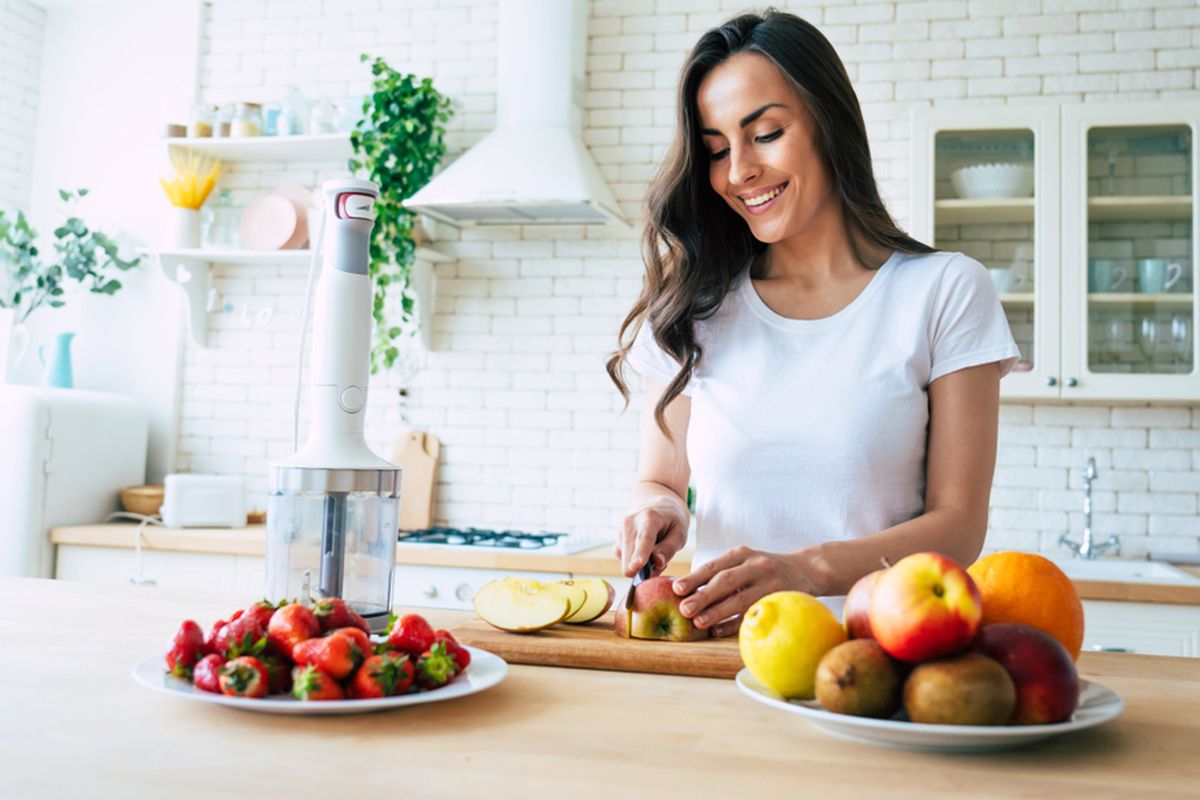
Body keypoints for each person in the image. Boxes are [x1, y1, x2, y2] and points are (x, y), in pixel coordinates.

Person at [605, 10, 1019, 638]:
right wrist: (656, 510)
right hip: (717, 663)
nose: (738, 171)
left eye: (765, 133)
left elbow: (958, 526)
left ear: (829, 122)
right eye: (716, 150)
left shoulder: (944, 291)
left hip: (874, 662)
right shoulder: (696, 306)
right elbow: (659, 479)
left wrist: (805, 569)